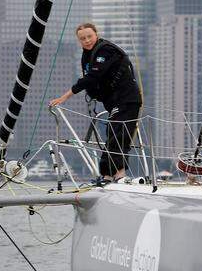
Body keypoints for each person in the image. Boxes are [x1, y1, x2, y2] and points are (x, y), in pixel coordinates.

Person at [49, 23, 141, 184]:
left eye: (89, 36)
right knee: (113, 134)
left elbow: (93, 77)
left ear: (96, 34)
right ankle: (107, 175)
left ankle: (119, 174)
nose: (87, 40)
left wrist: (64, 97)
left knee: (119, 134)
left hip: (127, 99)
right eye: (82, 38)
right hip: (114, 101)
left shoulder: (105, 50)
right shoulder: (87, 55)